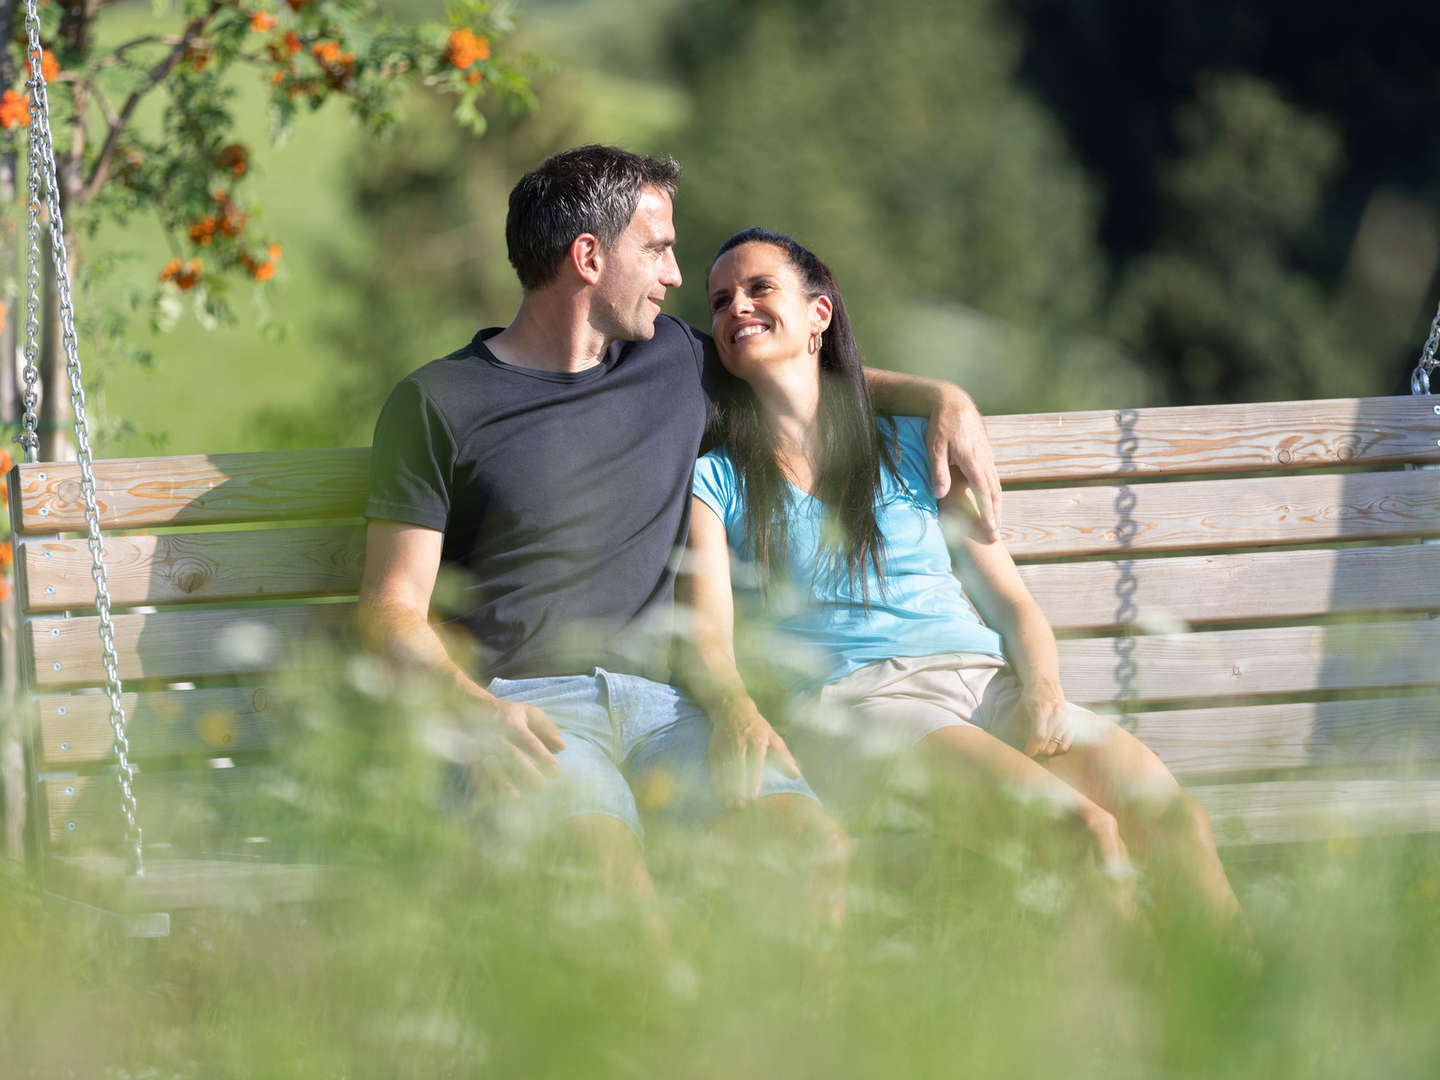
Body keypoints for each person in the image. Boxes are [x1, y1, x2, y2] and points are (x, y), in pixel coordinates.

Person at [358, 147, 1001, 947]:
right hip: (527, 713)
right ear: (589, 257)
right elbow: (389, 610)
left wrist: (944, 396)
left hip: (672, 715)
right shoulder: (438, 402)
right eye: (657, 249)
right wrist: (474, 714)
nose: (672, 275)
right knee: (611, 884)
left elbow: (806, 367)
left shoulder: (677, 361)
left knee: (808, 849)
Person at [684, 227, 1244, 933]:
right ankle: (1142, 1029)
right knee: (1083, 835)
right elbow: (705, 635)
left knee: (1175, 822)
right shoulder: (718, 478)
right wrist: (738, 708)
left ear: (819, 314)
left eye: (759, 288)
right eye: (720, 300)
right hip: (861, 705)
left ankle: (1247, 1013)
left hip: (982, 681)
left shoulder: (915, 447)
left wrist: (1042, 688)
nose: (737, 307)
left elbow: (1009, 600)